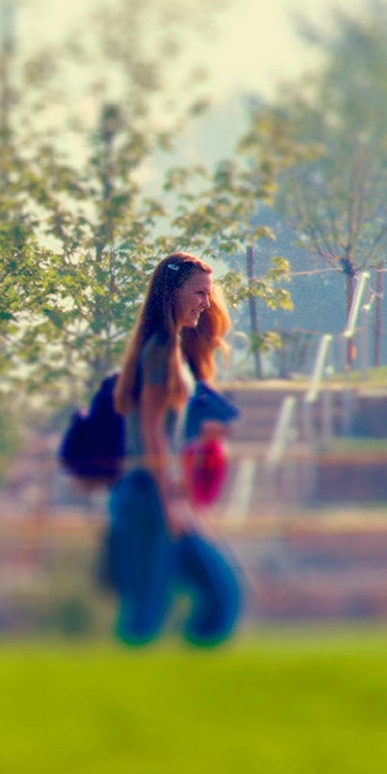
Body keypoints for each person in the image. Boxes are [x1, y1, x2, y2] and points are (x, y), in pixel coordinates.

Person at [106, 251, 244, 646]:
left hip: (156, 492)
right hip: (147, 495)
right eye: (199, 293)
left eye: (209, 293)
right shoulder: (160, 351)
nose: (206, 302)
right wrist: (170, 499)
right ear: (173, 293)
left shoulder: (172, 351)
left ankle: (194, 678)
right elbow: (152, 429)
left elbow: (165, 428)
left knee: (219, 596)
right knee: (150, 610)